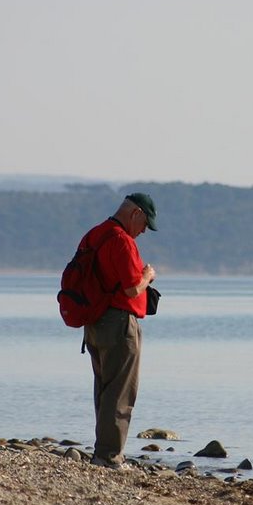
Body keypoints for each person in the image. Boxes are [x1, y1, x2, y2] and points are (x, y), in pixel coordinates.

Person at [81, 193, 158, 469]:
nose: (144, 231)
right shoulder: (122, 241)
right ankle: (109, 456)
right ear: (135, 213)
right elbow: (131, 288)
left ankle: (102, 452)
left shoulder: (95, 235)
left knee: (104, 387)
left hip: (93, 322)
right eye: (145, 224)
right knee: (121, 390)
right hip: (118, 323)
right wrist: (148, 275)